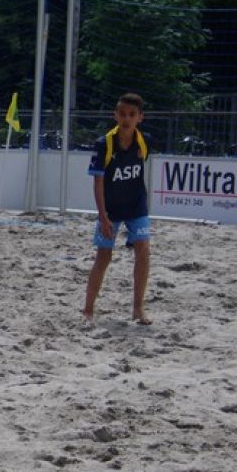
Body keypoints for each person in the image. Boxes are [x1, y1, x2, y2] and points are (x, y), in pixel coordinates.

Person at [82, 92, 153, 325]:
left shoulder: (144, 141)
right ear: (115, 115)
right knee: (103, 256)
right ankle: (88, 310)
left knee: (143, 251)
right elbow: (98, 182)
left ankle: (138, 309)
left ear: (140, 117)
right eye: (122, 114)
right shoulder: (104, 144)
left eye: (132, 114)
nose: (126, 119)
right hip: (110, 209)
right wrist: (103, 217)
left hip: (137, 206)